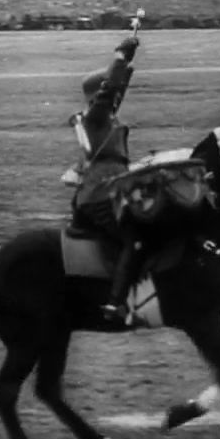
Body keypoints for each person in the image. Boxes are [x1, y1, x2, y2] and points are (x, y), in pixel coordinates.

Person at [70, 35, 142, 323]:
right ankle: (115, 303)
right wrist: (120, 56)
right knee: (135, 239)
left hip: (107, 190)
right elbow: (111, 88)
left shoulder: (105, 118)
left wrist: (129, 60)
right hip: (100, 194)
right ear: (96, 97)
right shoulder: (96, 117)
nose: (118, 97)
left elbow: (117, 87)